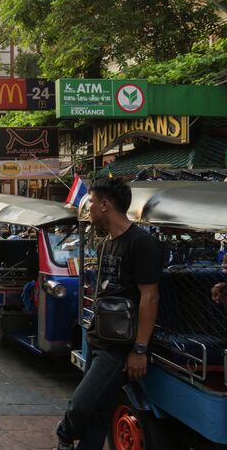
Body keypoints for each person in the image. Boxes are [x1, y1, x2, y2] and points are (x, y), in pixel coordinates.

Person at [56, 178, 162, 450]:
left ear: (104, 205)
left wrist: (139, 349)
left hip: (119, 347)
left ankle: (64, 434)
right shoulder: (105, 245)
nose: (88, 208)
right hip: (98, 337)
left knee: (81, 405)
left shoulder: (141, 243)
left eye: (91, 202)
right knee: (98, 413)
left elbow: (150, 297)